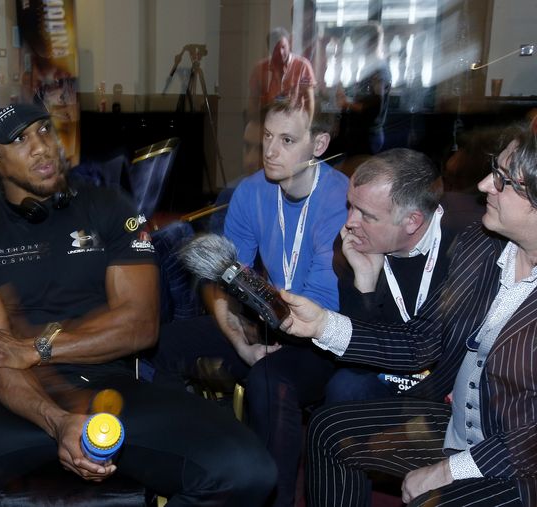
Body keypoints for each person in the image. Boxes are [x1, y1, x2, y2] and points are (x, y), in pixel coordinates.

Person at [0, 102, 277, 506]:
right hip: (12, 399)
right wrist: (58, 422)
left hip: (112, 390)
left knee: (249, 470)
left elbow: (139, 325)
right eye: (19, 139)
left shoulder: (110, 207)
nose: (40, 145)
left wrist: (36, 347)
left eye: (43, 129)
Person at [277, 120, 537, 506]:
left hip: (516, 461)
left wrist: (451, 469)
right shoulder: (481, 246)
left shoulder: (466, 235)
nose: (484, 185)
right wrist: (323, 324)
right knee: (329, 429)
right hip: (454, 426)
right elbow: (421, 341)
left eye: (502, 179)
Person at [151, 99, 348, 507]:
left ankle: (272, 499)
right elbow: (221, 277)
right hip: (270, 318)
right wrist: (239, 339)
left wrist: (265, 319)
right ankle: (187, 467)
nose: (271, 151)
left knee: (270, 381)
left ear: (319, 144)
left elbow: (322, 299)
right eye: (268, 138)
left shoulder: (339, 199)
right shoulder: (252, 190)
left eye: (287, 140)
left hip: (323, 334)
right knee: (160, 344)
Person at [327, 148, 481, 402]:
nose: (350, 222)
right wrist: (364, 283)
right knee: (345, 387)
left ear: (412, 221)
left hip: (449, 380)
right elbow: (358, 361)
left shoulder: (469, 243)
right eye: (350, 206)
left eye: (366, 214)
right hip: (389, 375)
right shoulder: (352, 246)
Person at [335, 22, 391, 158]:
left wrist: (346, 104)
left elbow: (374, 108)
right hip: (363, 135)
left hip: (367, 137)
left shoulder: (379, 71)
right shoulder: (371, 68)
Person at [248, 27, 316, 120]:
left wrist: (306, 127)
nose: (280, 52)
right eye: (276, 49)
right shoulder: (260, 69)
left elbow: (309, 101)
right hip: (269, 122)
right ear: (269, 49)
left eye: (283, 47)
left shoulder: (303, 66)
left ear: (289, 44)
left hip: (295, 123)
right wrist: (254, 124)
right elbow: (253, 101)